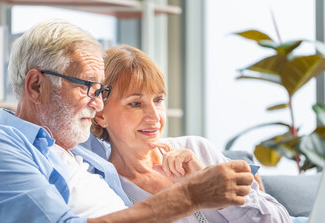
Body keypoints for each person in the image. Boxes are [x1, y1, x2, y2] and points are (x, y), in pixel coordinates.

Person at [0, 19, 254, 223]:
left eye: (100, 91)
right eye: (87, 86)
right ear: (36, 85)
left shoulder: (82, 153)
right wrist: (190, 196)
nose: (97, 102)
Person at [91, 45, 292, 223]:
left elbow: (280, 220)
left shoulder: (197, 148)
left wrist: (210, 185)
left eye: (159, 100)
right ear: (101, 115)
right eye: (135, 103)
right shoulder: (106, 190)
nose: (155, 116)